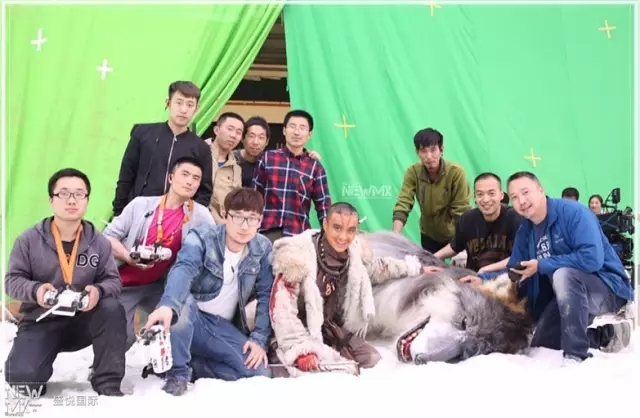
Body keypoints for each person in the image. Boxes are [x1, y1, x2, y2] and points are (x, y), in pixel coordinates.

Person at [268, 202, 427, 377]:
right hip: (296, 330)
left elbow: (376, 269)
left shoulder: (354, 252)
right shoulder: (297, 255)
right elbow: (282, 310)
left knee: (371, 359)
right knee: (311, 370)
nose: (343, 237)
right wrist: (300, 349)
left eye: (350, 230)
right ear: (325, 224)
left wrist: (415, 268)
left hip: (329, 328)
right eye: (337, 228)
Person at [4, 168, 126, 397]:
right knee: (23, 381)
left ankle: (107, 382)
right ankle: (36, 361)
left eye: (79, 194)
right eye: (64, 193)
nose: (72, 200)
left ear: (87, 200)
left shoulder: (99, 242)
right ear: (51, 200)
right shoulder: (28, 240)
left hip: (83, 321)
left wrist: (98, 291)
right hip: (42, 319)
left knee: (112, 307)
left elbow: (113, 280)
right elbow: (12, 281)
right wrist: (36, 291)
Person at [144, 188, 274, 396]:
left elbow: (267, 295)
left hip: (219, 327)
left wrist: (259, 338)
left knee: (259, 371)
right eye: (237, 216)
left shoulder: (262, 247)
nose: (244, 226)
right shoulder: (202, 237)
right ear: (224, 215)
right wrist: (168, 305)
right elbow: (184, 268)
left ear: (260, 221)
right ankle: (177, 374)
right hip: (188, 318)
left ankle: (188, 365)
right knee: (183, 304)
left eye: (252, 219)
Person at [506, 171, 633, 363]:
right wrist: (480, 279)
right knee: (544, 342)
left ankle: (575, 354)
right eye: (514, 197)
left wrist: (542, 265)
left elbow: (592, 259)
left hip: (607, 288)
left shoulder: (574, 212)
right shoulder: (525, 230)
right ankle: (608, 335)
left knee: (563, 274)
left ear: (541, 190)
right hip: (565, 296)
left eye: (525, 192)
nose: (521, 201)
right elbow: (514, 269)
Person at [102, 157, 215, 350]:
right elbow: (107, 238)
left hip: (161, 286)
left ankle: (170, 364)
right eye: (185, 174)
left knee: (179, 319)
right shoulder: (140, 205)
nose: (190, 181)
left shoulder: (200, 215)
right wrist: (128, 256)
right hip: (125, 284)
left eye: (196, 178)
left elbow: (212, 252)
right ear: (171, 177)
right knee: (122, 338)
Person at [111, 81, 213, 217]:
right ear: (168, 103)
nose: (184, 110)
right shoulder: (143, 133)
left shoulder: (201, 148)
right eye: (179, 102)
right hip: (139, 213)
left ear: (196, 109)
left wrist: (187, 217)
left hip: (177, 219)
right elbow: (126, 176)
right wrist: (119, 212)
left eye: (190, 105)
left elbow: (204, 191)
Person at [253, 109, 331, 243]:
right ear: (284, 130)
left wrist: (328, 236)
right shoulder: (267, 158)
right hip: (267, 231)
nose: (297, 132)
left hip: (299, 235)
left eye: (302, 128)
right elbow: (255, 196)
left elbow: (323, 206)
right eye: (292, 126)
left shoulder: (315, 167)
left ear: (309, 134)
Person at [432, 173, 522, 285]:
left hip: (506, 280)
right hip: (473, 280)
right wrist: (432, 257)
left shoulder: (515, 218)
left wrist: (486, 271)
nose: (485, 199)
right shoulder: (467, 219)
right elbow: (455, 246)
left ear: (501, 195)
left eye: (491, 193)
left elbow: (520, 257)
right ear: (475, 197)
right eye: (480, 194)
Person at [392, 128, 471, 253]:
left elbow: (461, 210)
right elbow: (403, 203)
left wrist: (462, 242)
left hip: (454, 234)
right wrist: (395, 236)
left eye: (433, 150)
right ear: (417, 152)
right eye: (423, 151)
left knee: (458, 265)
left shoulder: (456, 172)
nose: (429, 156)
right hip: (428, 235)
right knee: (430, 264)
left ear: (441, 150)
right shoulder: (413, 172)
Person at [234, 116, 323, 188]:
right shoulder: (232, 158)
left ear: (267, 142)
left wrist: (309, 157)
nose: (255, 142)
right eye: (251, 136)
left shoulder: (270, 160)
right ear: (242, 138)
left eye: (261, 137)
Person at [203, 112, 244, 223]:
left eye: (238, 132)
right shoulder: (198, 152)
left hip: (221, 225)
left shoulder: (236, 168)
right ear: (216, 130)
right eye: (230, 129)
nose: (233, 135)